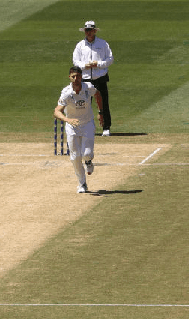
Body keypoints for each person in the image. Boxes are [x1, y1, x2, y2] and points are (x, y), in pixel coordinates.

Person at [54, 66, 104, 194]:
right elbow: (56, 111)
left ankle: (88, 161)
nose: (76, 79)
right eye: (73, 76)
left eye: (78, 76)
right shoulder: (66, 92)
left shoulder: (88, 87)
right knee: (75, 157)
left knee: (86, 153)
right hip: (72, 127)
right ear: (69, 77)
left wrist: (100, 112)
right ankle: (82, 184)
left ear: (82, 77)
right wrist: (67, 120)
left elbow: (98, 94)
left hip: (87, 124)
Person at [72, 20, 113, 136]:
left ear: (95, 31)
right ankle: (85, 128)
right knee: (84, 104)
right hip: (85, 78)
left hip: (100, 77)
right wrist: (85, 65)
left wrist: (98, 64)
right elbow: (75, 61)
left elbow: (110, 59)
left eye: (90, 30)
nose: (88, 33)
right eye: (86, 30)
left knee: (104, 103)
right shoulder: (80, 45)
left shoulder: (103, 44)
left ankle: (106, 128)